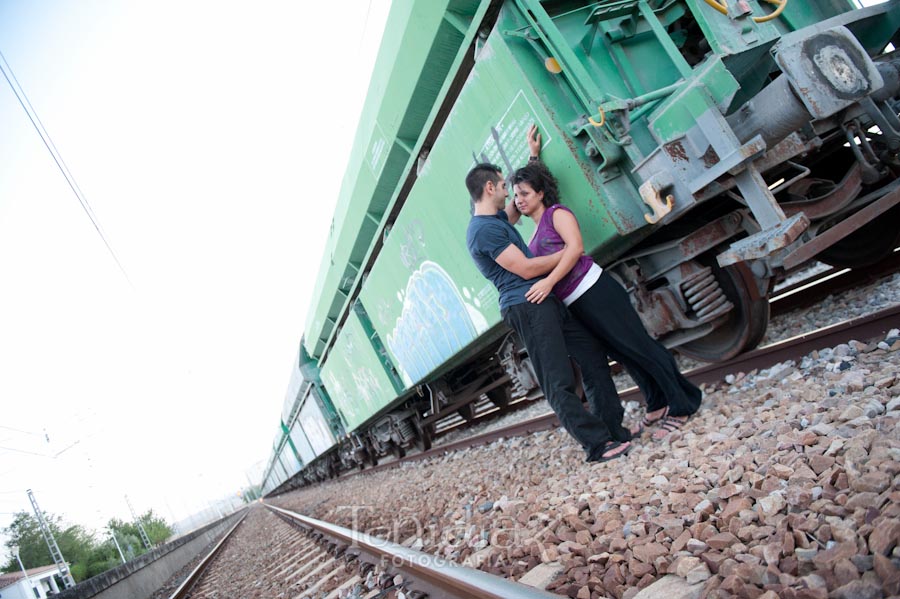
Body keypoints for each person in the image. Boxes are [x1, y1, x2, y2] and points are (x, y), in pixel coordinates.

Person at [511, 128, 702, 440]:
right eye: (516, 195)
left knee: (639, 346)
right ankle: (657, 404)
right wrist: (532, 156)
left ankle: (683, 403)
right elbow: (526, 195)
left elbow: (574, 249)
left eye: (524, 194)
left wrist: (548, 283)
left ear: (541, 194)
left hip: (596, 291)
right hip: (580, 303)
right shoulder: (532, 231)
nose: (518, 200)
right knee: (624, 354)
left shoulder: (557, 214)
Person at [465, 160, 632, 462]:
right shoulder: (482, 231)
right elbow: (526, 268)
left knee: (592, 354)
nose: (511, 195)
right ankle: (596, 445)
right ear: (489, 188)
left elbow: (520, 204)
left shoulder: (498, 220)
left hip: (545, 299)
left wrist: (533, 158)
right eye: (505, 187)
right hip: (526, 304)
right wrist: (568, 252)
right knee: (558, 381)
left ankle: (611, 430)